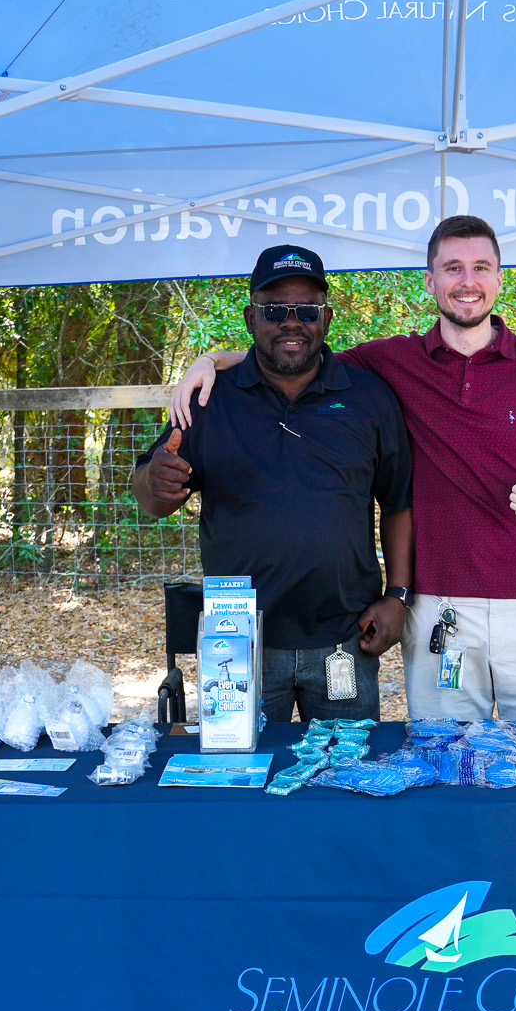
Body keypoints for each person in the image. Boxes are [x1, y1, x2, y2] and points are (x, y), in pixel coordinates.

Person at [171, 215, 516, 721]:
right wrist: (213, 359)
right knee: (446, 760)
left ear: (499, 278)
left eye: (481, 267)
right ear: (430, 281)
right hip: (441, 605)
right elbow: (294, 350)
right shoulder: (391, 362)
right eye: (452, 267)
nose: (467, 281)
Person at [132, 244, 413, 724]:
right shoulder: (208, 401)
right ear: (250, 317)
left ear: (325, 318)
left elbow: (399, 502)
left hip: (343, 635)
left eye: (305, 309)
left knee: (345, 778)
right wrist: (153, 483)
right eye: (275, 309)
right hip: (237, 642)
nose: (291, 321)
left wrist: (399, 596)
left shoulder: (368, 398)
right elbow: (150, 496)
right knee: (242, 784)